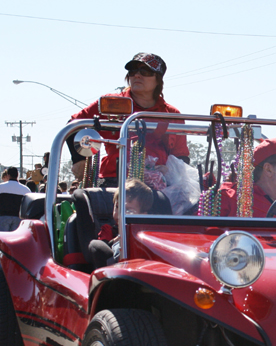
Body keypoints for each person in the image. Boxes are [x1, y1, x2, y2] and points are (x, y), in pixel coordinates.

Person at [68, 53, 187, 186]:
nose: (137, 75)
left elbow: (181, 156)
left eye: (145, 71)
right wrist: (78, 159)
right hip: (113, 181)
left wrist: (172, 173)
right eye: (133, 71)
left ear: (158, 79)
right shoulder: (111, 103)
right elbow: (73, 125)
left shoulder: (171, 114)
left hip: (159, 183)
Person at [89, 179, 154, 269]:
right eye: (117, 207)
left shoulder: (148, 234)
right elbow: (101, 250)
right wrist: (117, 239)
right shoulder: (108, 230)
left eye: (128, 210)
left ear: (143, 215)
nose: (120, 214)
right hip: (116, 269)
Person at [0, 167, 31, 232]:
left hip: (4, 216)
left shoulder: (0, 187)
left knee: (3, 237)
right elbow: (29, 203)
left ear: (8, 175)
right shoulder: (25, 189)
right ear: (17, 175)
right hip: (18, 217)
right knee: (15, 237)